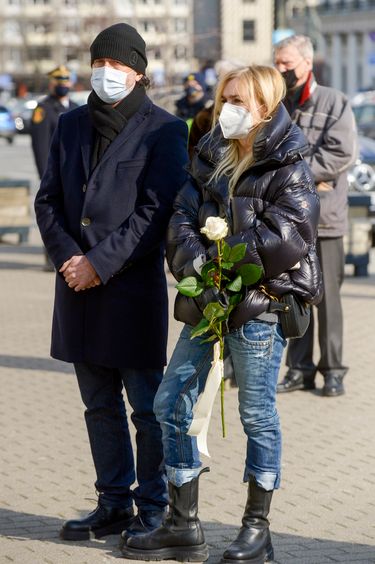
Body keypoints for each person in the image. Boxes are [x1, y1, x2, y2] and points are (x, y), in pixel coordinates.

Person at [121, 65, 322, 563]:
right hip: (209, 302)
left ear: (266, 106)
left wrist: (222, 264)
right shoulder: (210, 154)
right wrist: (202, 268)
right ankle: (182, 523)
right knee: (170, 403)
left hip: (261, 306)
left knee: (257, 414)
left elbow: (286, 236)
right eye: (225, 97)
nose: (229, 107)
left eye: (240, 99)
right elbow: (181, 220)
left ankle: (258, 530)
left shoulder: (290, 162)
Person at [34, 23, 188, 542]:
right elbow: (48, 199)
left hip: (128, 289)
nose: (105, 73)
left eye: (116, 65)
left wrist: (99, 263)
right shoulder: (72, 124)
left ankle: (153, 506)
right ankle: (113, 502)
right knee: (98, 404)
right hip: (76, 289)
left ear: (138, 72)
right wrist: (68, 259)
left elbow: (155, 212)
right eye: (98, 63)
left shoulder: (164, 129)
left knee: (146, 407)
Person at [274, 34, 357, 397]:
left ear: (306, 63)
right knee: (295, 296)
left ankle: (333, 370)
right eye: (277, 63)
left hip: (326, 220)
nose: (280, 69)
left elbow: (339, 156)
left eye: (286, 63)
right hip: (287, 222)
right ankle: (299, 369)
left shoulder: (334, 102)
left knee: (329, 301)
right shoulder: (277, 103)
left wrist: (292, 173)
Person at [31, 65, 78, 271]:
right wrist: (45, 176)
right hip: (54, 173)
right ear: (52, 84)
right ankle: (52, 258)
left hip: (75, 172)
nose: (63, 85)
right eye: (59, 82)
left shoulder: (76, 106)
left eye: (66, 81)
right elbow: (40, 147)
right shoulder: (43, 109)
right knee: (53, 214)